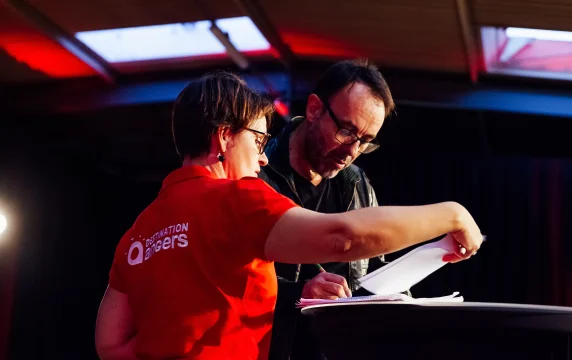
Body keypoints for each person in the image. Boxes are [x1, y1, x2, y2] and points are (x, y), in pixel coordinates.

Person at [95, 71, 483, 360]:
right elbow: (341, 238)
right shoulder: (238, 198)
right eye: (259, 140)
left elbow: (110, 344)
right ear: (224, 137)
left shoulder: (139, 231)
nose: (263, 156)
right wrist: (453, 213)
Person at [259, 59, 398, 360]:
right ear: (314, 109)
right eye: (346, 132)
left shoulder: (356, 183)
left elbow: (375, 270)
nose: (351, 152)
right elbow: (230, 281)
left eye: (365, 142)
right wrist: (299, 293)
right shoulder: (257, 177)